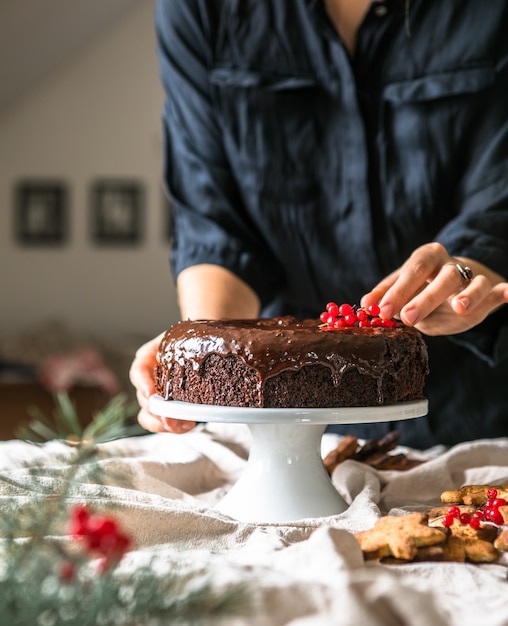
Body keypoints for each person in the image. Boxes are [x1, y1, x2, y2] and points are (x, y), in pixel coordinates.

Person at [130, 0, 508, 449]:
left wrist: (466, 272)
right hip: (272, 425)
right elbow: (214, 223)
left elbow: (498, 198)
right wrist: (208, 351)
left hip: (475, 417)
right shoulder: (202, 9)